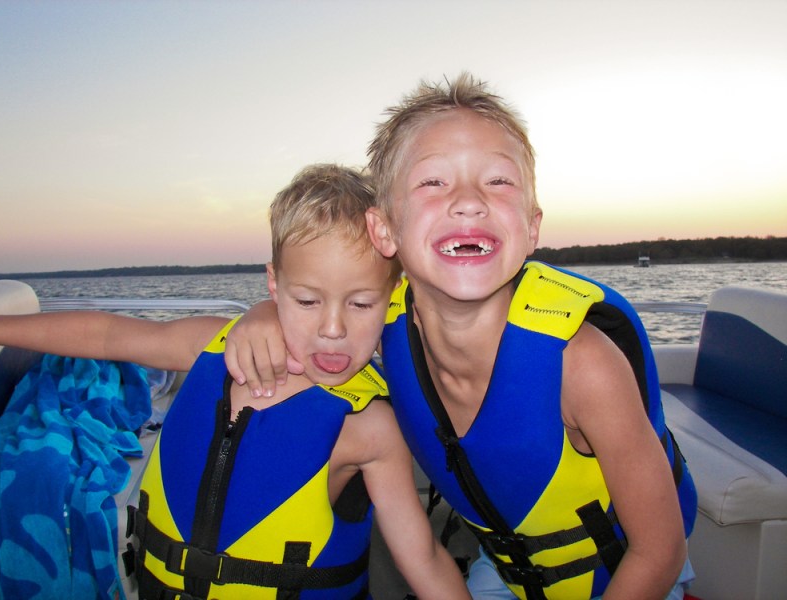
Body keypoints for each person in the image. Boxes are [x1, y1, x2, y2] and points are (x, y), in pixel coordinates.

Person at [223, 75, 698, 600]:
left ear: (532, 225)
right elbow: (319, 305)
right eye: (433, 183)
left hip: (627, 576)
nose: (469, 202)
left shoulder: (582, 366)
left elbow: (659, 551)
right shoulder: (380, 325)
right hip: (505, 573)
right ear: (385, 231)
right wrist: (265, 313)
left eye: (498, 182)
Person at [0, 164, 471, 600]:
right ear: (274, 286)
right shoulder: (213, 348)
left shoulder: (372, 426)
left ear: (392, 298)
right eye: (307, 301)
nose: (333, 328)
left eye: (361, 304)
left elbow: (423, 558)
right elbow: (110, 333)